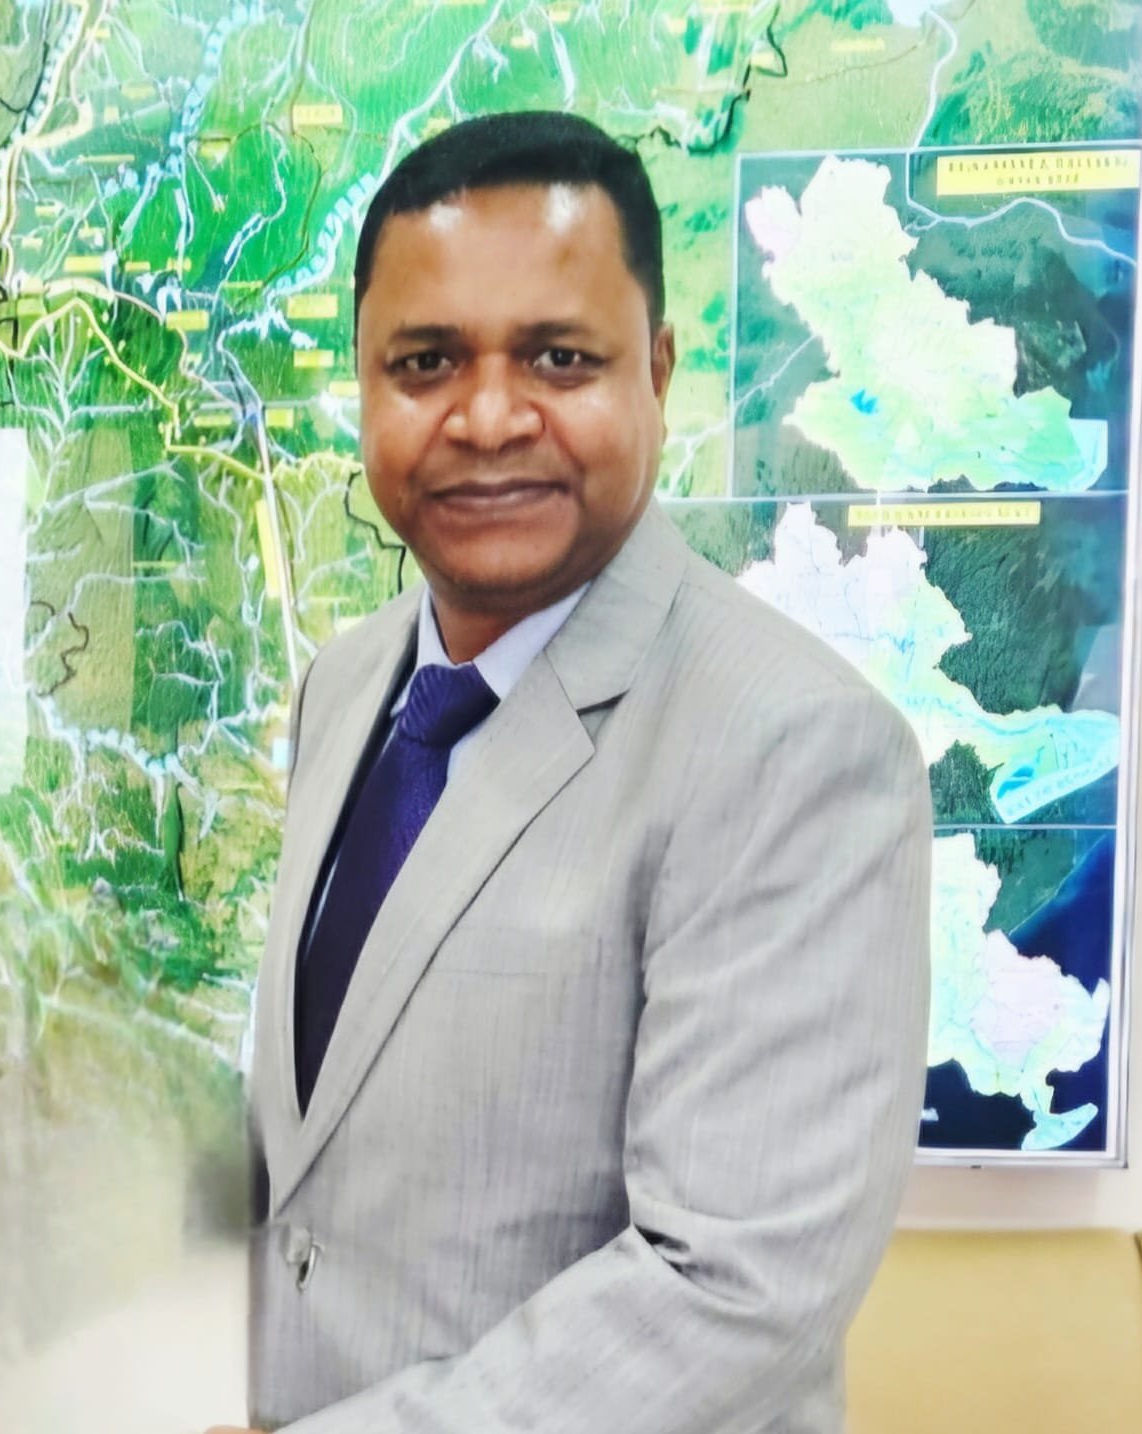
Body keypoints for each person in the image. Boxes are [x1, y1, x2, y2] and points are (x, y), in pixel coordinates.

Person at [212, 110, 932, 1434]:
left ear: (655, 372)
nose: (488, 417)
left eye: (559, 357)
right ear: (363, 386)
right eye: (425, 362)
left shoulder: (797, 746)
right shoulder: (348, 683)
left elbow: (727, 1289)